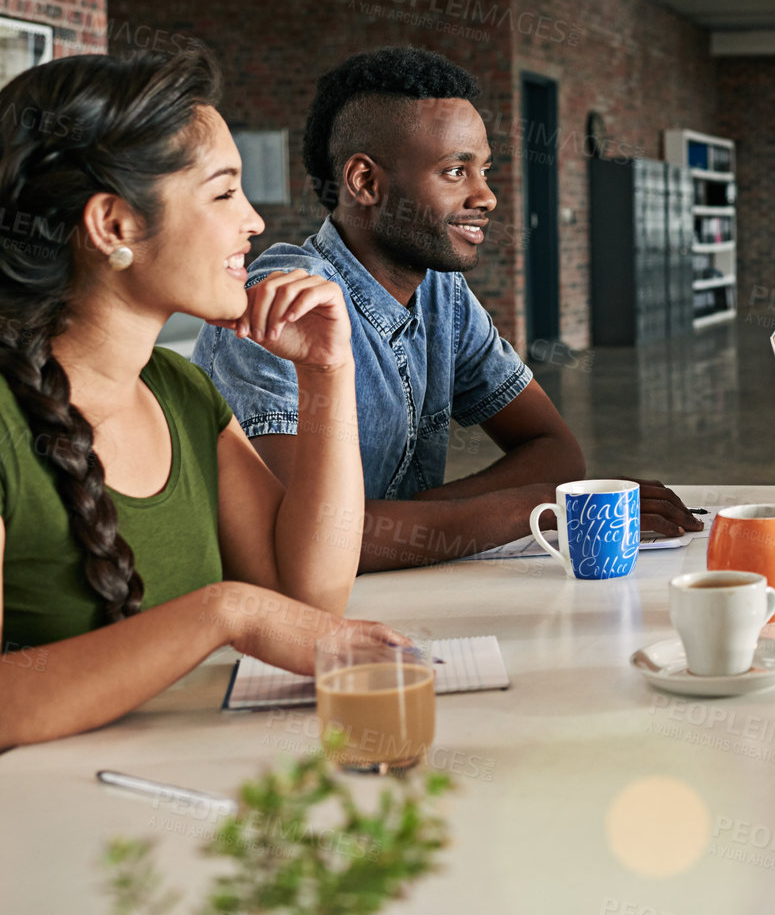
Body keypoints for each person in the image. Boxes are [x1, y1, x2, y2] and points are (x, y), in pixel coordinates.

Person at [0, 49, 400, 748]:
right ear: (114, 226)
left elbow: (307, 602)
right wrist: (223, 612)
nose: (253, 220)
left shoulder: (179, 389)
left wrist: (328, 375)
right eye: (222, 193)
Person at [193, 48, 699, 571]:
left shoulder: (443, 293)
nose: (487, 196)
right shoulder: (281, 308)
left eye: (484, 169)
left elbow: (555, 451)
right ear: (365, 182)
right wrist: (531, 508)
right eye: (456, 171)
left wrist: (393, 521)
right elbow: (297, 541)